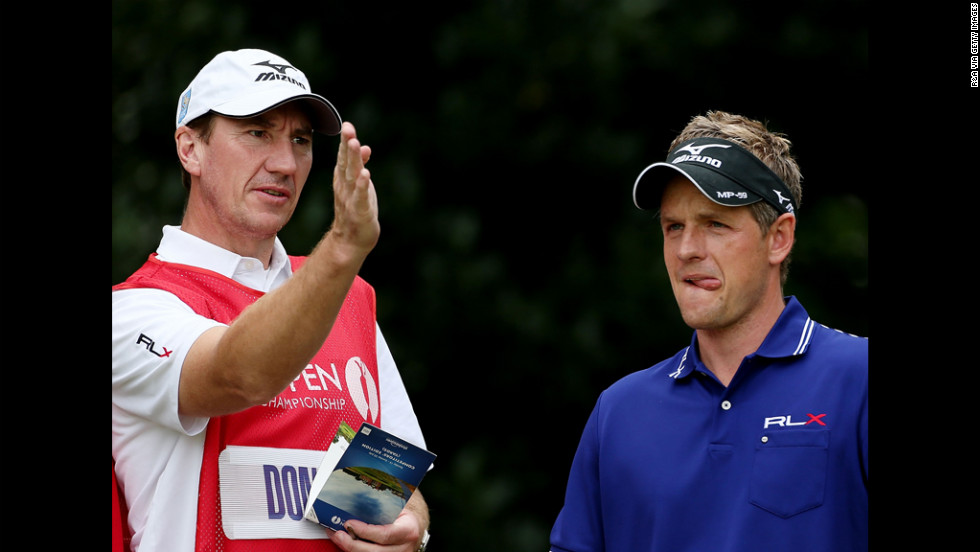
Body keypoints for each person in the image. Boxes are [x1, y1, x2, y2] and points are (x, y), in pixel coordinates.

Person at [112, 48, 431, 552]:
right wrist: (343, 250)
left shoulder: (346, 297)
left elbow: (389, 476)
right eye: (257, 132)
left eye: (301, 140)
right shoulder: (132, 310)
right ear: (190, 148)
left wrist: (404, 527)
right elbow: (240, 376)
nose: (285, 163)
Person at [549, 111, 868, 552]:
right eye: (673, 226)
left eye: (715, 224)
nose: (686, 250)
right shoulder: (618, 412)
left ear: (779, 238)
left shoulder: (858, 379)